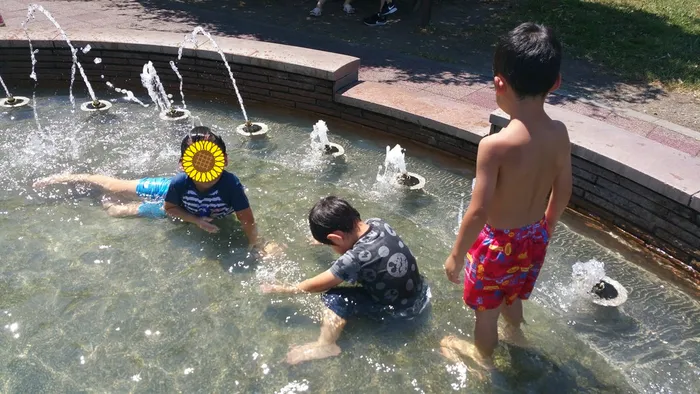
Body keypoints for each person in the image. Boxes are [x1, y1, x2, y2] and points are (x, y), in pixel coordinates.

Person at [441, 22, 572, 370]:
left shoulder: (494, 146)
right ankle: (518, 336)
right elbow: (564, 189)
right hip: (534, 238)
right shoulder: (559, 133)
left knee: (486, 315)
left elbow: (479, 211)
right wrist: (548, 225)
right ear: (555, 83)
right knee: (513, 296)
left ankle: (482, 360)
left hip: (497, 246)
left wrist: (456, 255)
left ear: (499, 83)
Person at [33, 127, 274, 252]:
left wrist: (256, 244)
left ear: (225, 161)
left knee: (115, 212)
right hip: (173, 197)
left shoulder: (231, 185)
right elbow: (170, 208)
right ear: (183, 164)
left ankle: (103, 199)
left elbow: (248, 221)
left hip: (181, 208)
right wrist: (195, 220)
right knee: (115, 185)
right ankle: (75, 178)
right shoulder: (179, 182)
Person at [261, 196, 430, 365]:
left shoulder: (354, 259)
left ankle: (325, 345)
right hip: (420, 292)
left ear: (336, 237)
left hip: (399, 311)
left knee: (334, 297)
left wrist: (285, 289)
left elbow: (317, 284)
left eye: (330, 244)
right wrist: (327, 240)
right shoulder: (378, 223)